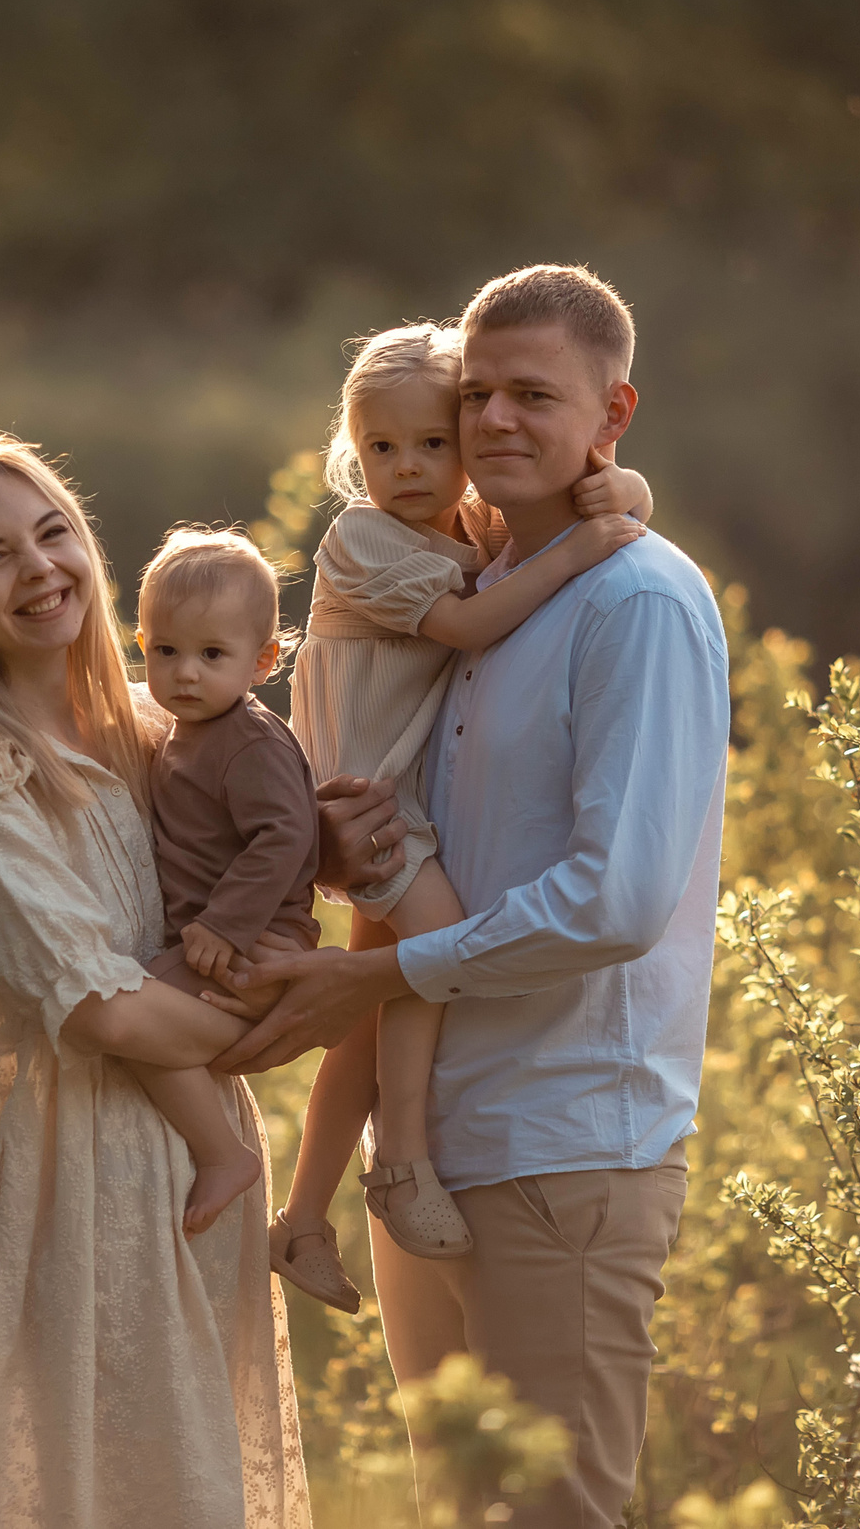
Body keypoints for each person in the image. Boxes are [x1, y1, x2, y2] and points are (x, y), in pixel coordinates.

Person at [220, 266, 732, 1529]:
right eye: (478, 394)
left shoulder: (637, 602)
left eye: (533, 396)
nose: (496, 420)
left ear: (613, 412)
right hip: (434, 1153)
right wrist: (334, 839)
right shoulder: (467, 578)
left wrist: (378, 975)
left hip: (564, 1150)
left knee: (554, 1516)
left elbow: (613, 903)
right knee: (457, 1514)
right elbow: (406, 797)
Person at [0, 429, 310, 1529]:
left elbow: (259, 832)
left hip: (196, 1147)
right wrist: (300, 1017)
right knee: (105, 1477)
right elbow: (104, 1007)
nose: (38, 570)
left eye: (52, 532)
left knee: (196, 1471)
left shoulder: (153, 719)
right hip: (77, 1163)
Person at [270, 321, 650, 1312]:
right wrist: (589, 549)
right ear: (353, 449)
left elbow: (594, 497)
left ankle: (301, 1218)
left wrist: (625, 498)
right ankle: (401, 1163)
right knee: (431, 945)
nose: (405, 468)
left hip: (410, 794)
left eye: (431, 444)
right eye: (380, 447)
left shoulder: (468, 527)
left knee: (368, 1002)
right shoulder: (361, 539)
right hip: (368, 804)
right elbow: (476, 621)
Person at [130, 525, 321, 1235]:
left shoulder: (247, 740)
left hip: (257, 940)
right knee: (139, 1009)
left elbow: (287, 835)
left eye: (213, 655)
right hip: (218, 936)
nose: (185, 673)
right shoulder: (191, 726)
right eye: (166, 651)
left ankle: (222, 1155)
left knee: (133, 1021)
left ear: (264, 660)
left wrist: (225, 924)